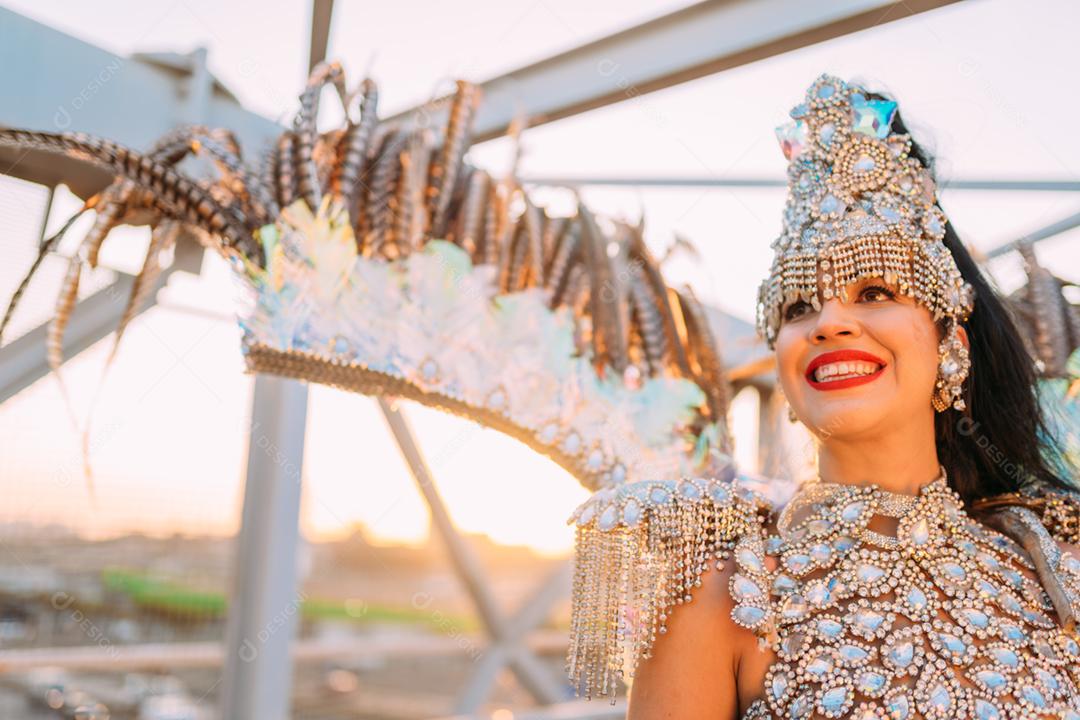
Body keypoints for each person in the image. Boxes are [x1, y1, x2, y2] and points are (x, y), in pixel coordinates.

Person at [619, 74, 1080, 719]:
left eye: (874, 293)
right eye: (800, 305)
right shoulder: (721, 595)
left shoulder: (1052, 564)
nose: (828, 324)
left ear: (950, 336)